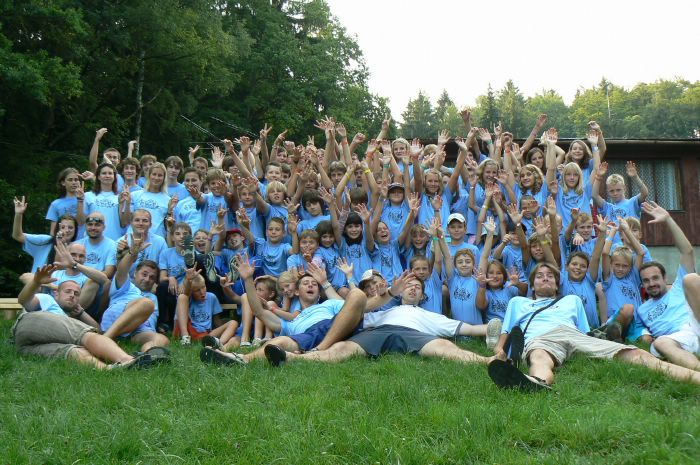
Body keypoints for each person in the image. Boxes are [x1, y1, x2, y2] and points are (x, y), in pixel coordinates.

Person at [487, 262, 700, 391]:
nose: (545, 279)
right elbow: (506, 332)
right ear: (532, 285)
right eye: (540, 277)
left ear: (557, 284)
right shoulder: (519, 302)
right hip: (541, 337)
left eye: (550, 276)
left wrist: (599, 344)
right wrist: (499, 351)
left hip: (575, 336)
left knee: (636, 354)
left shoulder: (571, 300)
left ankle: (695, 377)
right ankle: (535, 382)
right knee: (540, 357)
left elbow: (584, 332)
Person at [260, 275, 501, 367]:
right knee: (342, 348)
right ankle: (292, 358)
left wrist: (499, 330)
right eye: (409, 285)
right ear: (401, 291)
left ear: (423, 296)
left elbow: (470, 328)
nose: (413, 289)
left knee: (444, 346)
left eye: (417, 287)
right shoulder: (384, 309)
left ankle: (488, 362)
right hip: (378, 330)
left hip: (414, 334)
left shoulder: (431, 316)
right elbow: (353, 311)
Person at [200, 253, 368, 365]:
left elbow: (353, 304)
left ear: (319, 292)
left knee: (357, 294)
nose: (311, 285)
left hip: (333, 326)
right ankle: (241, 359)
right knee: (279, 341)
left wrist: (324, 282)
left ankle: (320, 349)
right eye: (305, 283)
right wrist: (248, 280)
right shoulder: (290, 321)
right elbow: (259, 311)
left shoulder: (328, 305)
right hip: (306, 336)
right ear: (297, 291)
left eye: (314, 284)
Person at [14, 264, 158, 369]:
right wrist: (36, 282)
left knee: (76, 351)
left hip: (26, 346)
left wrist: (81, 313)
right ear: (56, 293)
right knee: (86, 336)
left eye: (76, 294)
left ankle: (108, 369)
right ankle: (128, 360)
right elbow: (24, 300)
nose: (72, 295)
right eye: (68, 291)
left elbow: (98, 332)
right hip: (31, 325)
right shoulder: (47, 299)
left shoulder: (70, 319)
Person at [635, 202, 699, 370]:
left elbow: (687, 251)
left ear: (665, 278)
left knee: (691, 279)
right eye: (646, 280)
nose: (651, 283)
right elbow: (639, 333)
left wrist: (668, 220)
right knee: (660, 343)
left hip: (695, 325)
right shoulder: (641, 310)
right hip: (677, 340)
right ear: (642, 285)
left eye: (655, 278)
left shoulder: (678, 287)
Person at [100, 233, 170, 353]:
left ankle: (148, 355)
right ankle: (105, 339)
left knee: (162, 339)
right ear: (135, 274)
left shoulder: (153, 297)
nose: (147, 279)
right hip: (116, 322)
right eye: (144, 274)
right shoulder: (126, 285)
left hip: (139, 330)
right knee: (146, 304)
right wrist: (132, 252)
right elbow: (122, 269)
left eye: (152, 277)